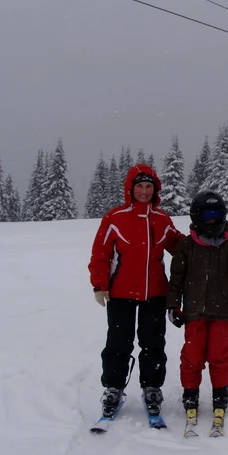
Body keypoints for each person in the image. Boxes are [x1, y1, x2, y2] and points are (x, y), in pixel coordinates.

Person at [88, 164, 184, 418]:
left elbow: (180, 247)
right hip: (120, 293)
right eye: (139, 186)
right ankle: (114, 388)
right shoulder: (115, 217)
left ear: (155, 190)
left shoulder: (162, 219)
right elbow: (101, 253)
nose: (144, 191)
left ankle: (152, 387)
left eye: (148, 187)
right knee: (119, 343)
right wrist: (100, 284)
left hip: (155, 293)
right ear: (130, 189)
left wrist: (205, 240)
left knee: (153, 342)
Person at [166, 190, 228, 417]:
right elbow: (176, 280)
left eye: (216, 213)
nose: (211, 219)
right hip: (194, 313)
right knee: (192, 356)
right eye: (207, 214)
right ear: (197, 216)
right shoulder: (186, 246)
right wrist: (173, 306)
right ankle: (190, 392)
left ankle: (220, 392)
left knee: (220, 355)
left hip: (223, 312)